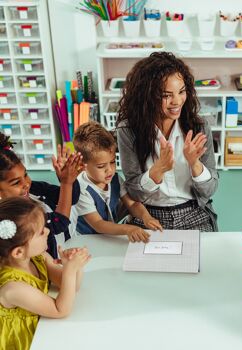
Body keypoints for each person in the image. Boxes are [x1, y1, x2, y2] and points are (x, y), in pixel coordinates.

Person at [116, 52, 218, 231]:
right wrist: (158, 170)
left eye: (181, 91)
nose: (177, 101)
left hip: (194, 213)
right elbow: (134, 192)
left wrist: (195, 164)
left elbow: (209, 191)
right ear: (147, 96)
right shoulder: (128, 130)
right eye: (166, 95)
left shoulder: (200, 127)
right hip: (148, 215)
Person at [0, 197, 90, 350]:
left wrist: (73, 266)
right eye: (41, 231)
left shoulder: (38, 257)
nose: (48, 231)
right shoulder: (13, 288)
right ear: (18, 252)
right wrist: (69, 270)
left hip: (46, 330)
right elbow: (60, 310)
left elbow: (71, 287)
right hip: (28, 341)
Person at [73, 121, 162, 242]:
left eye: (112, 162)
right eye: (101, 166)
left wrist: (146, 218)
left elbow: (132, 204)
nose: (109, 170)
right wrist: (128, 229)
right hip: (86, 239)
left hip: (107, 236)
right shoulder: (80, 188)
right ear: (82, 165)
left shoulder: (114, 178)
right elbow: (98, 224)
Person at [0, 133, 84, 258]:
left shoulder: (34, 188)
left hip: (63, 255)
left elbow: (71, 198)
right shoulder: (10, 217)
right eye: (16, 182)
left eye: (26, 175)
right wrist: (67, 183)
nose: (26, 183)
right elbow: (58, 222)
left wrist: (66, 178)